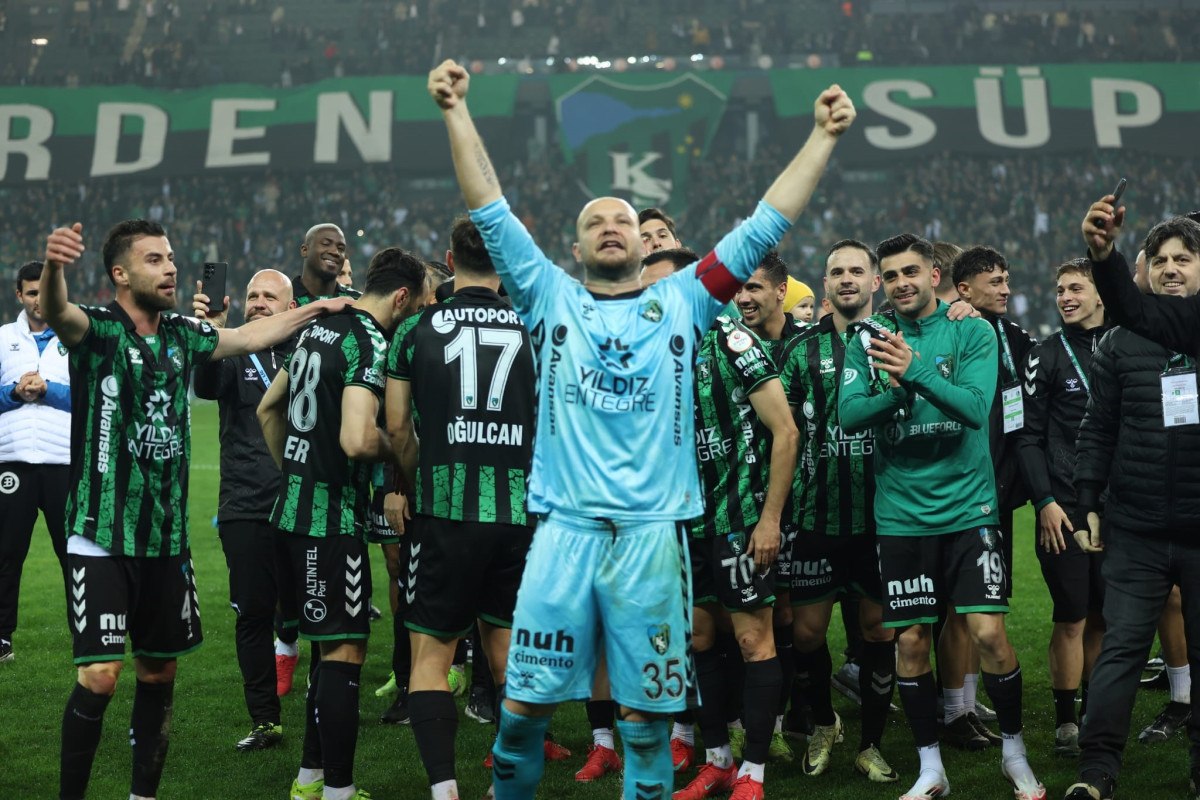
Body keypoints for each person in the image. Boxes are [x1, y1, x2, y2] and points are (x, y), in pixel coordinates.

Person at [428, 57, 855, 800]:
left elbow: (767, 223)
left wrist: (821, 137)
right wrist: (456, 112)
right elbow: (489, 207)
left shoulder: (686, 301)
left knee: (648, 725)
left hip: (653, 538)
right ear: (575, 248)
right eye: (594, 221)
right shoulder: (549, 296)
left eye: (622, 219)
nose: (610, 227)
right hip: (564, 532)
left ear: (642, 241)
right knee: (521, 714)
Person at [41, 218, 350, 800]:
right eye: (154, 260)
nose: (171, 268)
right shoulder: (99, 330)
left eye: (171, 258)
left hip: (166, 540)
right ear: (120, 273)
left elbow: (253, 337)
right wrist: (55, 266)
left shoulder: (184, 334)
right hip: (102, 534)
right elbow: (59, 312)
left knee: (159, 672)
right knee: (101, 676)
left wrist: (321, 307)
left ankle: (142, 796)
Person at [839, 233, 1045, 800]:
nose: (902, 283)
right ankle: (931, 769)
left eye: (912, 272)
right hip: (902, 516)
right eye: (892, 275)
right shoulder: (868, 338)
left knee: (989, 634)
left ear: (935, 275)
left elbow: (975, 409)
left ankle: (1015, 755)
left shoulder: (971, 330)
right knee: (909, 643)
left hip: (968, 509)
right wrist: (897, 396)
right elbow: (849, 415)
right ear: (882, 283)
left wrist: (914, 373)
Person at [257, 246, 428, 800]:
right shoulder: (369, 341)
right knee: (345, 654)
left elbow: (268, 408)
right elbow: (356, 439)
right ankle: (339, 790)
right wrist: (403, 448)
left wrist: (296, 471)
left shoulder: (318, 328)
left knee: (324, 649)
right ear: (400, 297)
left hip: (289, 513)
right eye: (417, 307)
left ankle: (309, 780)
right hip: (330, 523)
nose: (416, 317)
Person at [384, 216, 537, 800]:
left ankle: (444, 789)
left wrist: (419, 476)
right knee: (508, 656)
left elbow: (398, 428)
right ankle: (507, 785)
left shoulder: (415, 328)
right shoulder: (534, 327)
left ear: (449, 261)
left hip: (444, 513)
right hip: (516, 514)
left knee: (430, 657)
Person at [1065, 203, 1200, 800]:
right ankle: (1096, 772)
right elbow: (1097, 428)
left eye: (1184, 259)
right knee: (1120, 649)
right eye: (1161, 260)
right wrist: (1087, 499)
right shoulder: (1121, 341)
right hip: (1137, 529)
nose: (1171, 269)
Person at [670, 250, 800, 800]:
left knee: (752, 640)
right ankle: (718, 758)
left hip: (738, 520)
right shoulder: (659, 348)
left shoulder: (733, 340)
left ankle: (753, 772)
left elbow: (786, 432)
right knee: (700, 637)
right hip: (686, 523)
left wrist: (769, 520)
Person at [778, 239, 898, 784]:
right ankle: (825, 723)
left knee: (878, 632)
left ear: (875, 281)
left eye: (856, 270)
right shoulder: (800, 349)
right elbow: (783, 432)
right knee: (806, 635)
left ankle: (871, 743)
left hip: (883, 516)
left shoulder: (897, 338)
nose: (846, 278)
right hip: (815, 516)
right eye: (836, 272)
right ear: (825, 284)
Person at [191, 268, 298, 752]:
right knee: (253, 614)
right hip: (245, 505)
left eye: (269, 296)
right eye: (252, 295)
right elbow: (206, 385)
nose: (258, 302)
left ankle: (325, 706)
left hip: (302, 502)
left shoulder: (306, 350)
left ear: (290, 307)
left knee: (314, 610)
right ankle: (265, 720)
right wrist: (211, 332)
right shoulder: (231, 352)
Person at [940, 245, 1036, 750]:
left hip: (995, 491)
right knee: (956, 610)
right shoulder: (951, 330)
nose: (1006, 289)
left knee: (982, 605)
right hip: (960, 492)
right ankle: (953, 709)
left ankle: (967, 703)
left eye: (1006, 279)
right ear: (964, 290)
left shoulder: (1013, 336)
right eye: (995, 281)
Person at [1015, 258, 1109, 758]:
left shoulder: (1125, 345)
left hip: (1117, 508)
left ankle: (1095, 710)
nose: (1066, 297)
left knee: (1103, 616)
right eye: (1060, 290)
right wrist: (1045, 501)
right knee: (1071, 615)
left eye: (1076, 288)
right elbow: (1028, 438)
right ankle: (1065, 722)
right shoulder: (1045, 355)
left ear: (1100, 294)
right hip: (1065, 510)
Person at [0, 260, 70, 663]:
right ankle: (1, 638)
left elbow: (94, 396)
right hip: (12, 461)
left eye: (45, 291)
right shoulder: (3, 338)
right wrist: (14, 391)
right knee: (6, 553)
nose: (39, 300)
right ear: (19, 295)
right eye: (31, 293)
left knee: (74, 554)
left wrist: (47, 390)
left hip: (63, 461)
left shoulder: (77, 336)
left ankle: (87, 632)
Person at [293, 224, 361, 305]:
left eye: (341, 248)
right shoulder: (284, 297)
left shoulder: (360, 302)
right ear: (305, 250)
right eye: (326, 244)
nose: (335, 252)